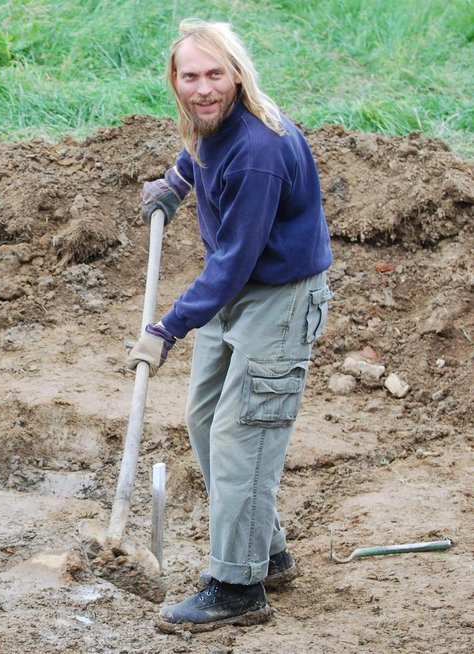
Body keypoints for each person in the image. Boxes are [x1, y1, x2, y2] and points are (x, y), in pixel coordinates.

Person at [127, 19, 333, 632]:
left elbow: (232, 262)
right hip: (237, 292)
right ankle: (264, 552)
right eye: (190, 76)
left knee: (245, 433)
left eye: (215, 74)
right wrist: (175, 181)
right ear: (176, 81)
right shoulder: (210, 123)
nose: (202, 88)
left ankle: (237, 588)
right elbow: (200, 151)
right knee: (205, 418)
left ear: (237, 74)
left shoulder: (260, 153)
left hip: (277, 297)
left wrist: (166, 328)